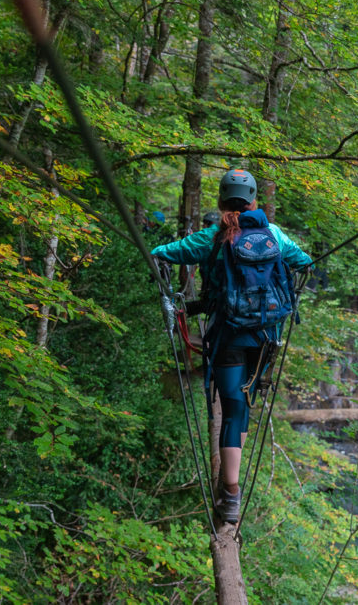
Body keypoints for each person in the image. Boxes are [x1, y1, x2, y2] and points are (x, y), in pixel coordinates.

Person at [151, 169, 312, 524]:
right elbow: (304, 263)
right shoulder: (275, 236)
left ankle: (231, 496)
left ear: (222, 201)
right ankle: (233, 481)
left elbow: (162, 252)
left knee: (231, 407)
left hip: (227, 337)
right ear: (254, 201)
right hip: (266, 338)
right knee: (243, 405)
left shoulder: (211, 238)